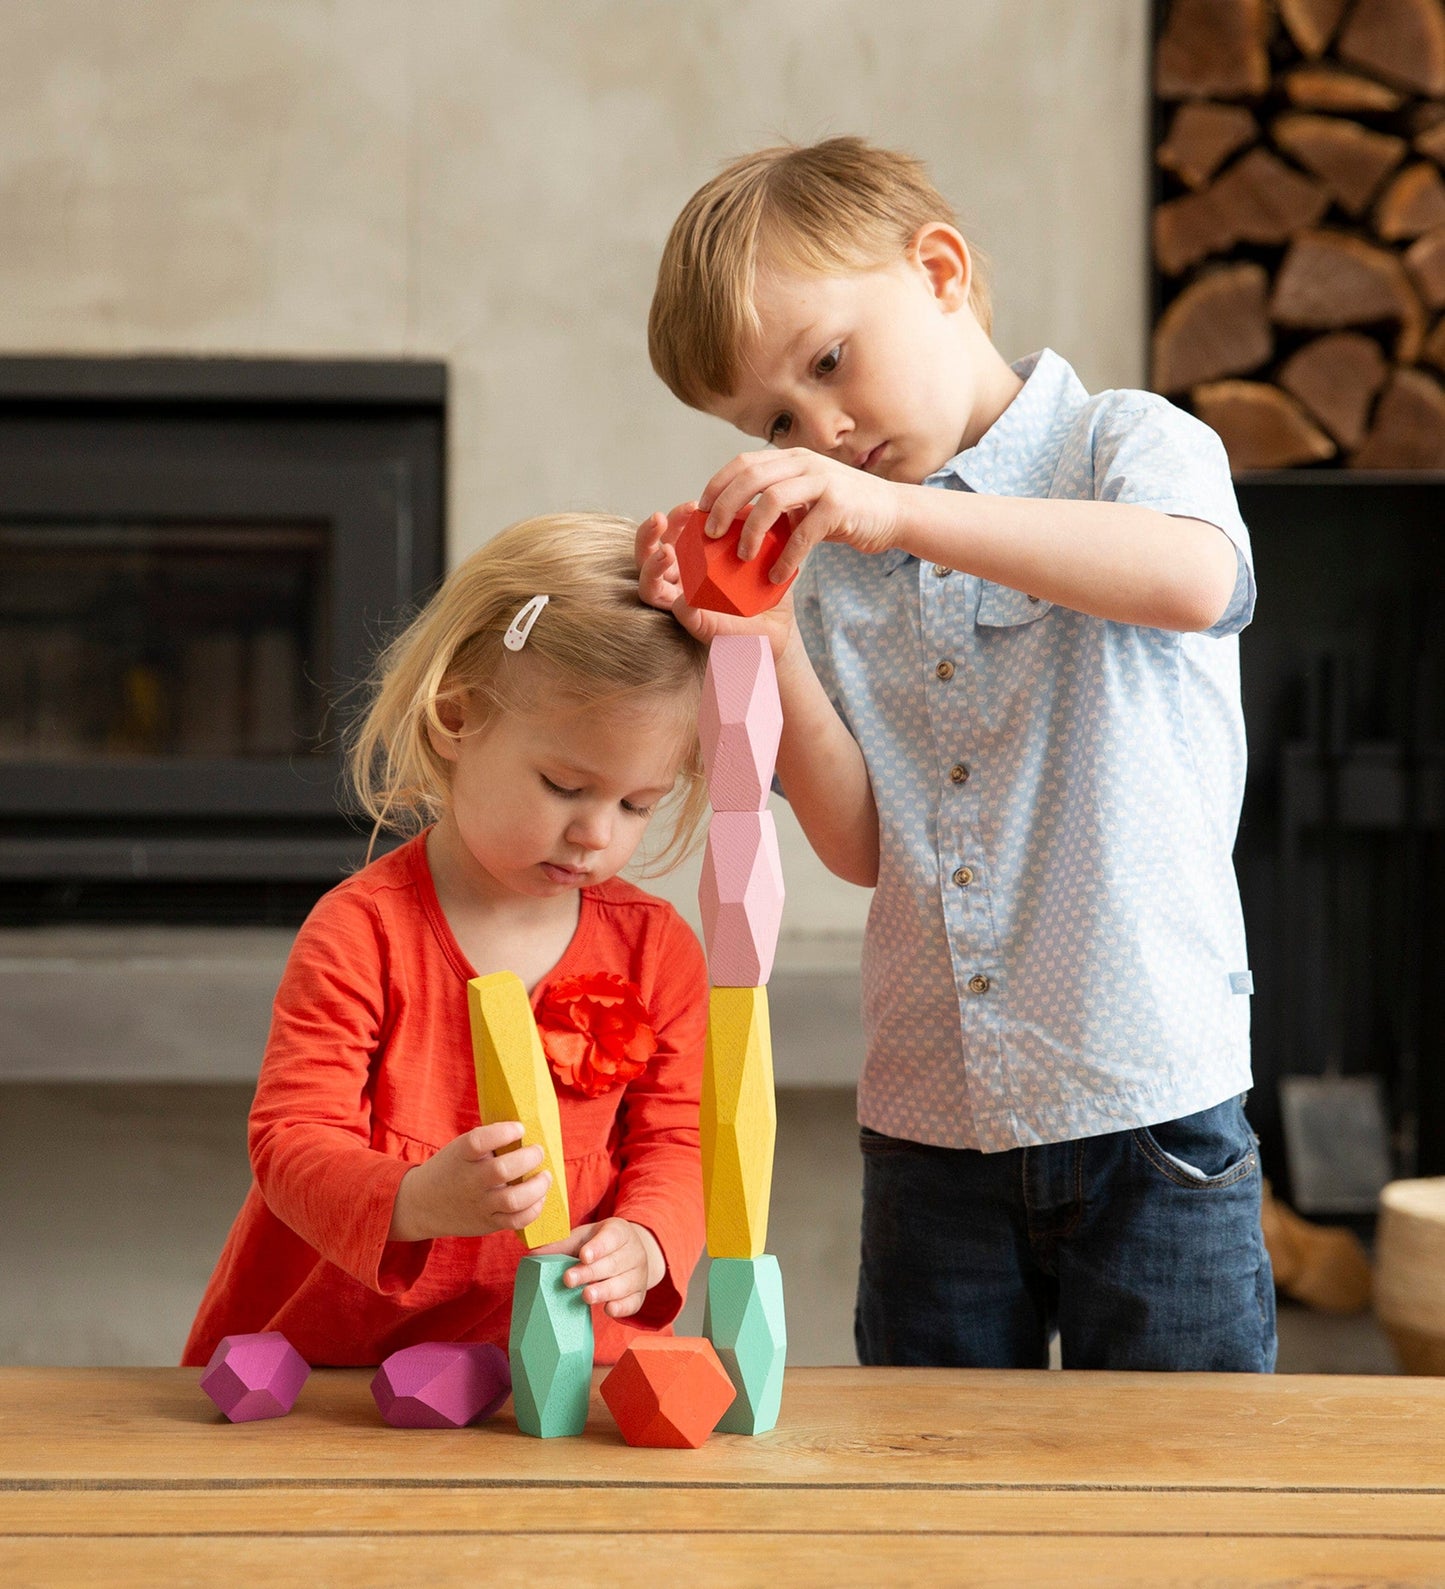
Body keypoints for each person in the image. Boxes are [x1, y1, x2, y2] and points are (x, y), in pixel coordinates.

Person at [639, 136, 1274, 1372]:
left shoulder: (1124, 442)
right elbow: (864, 845)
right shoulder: (833, 573)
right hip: (931, 1118)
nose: (817, 428)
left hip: (1147, 1103)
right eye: (774, 417)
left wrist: (907, 514)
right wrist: (763, 640)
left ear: (937, 270)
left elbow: (1192, 576)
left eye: (828, 363)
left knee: (1177, 1496)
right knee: (922, 1486)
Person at [185, 512, 711, 1369]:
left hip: (554, 1362)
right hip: (338, 1365)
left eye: (635, 804)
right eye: (565, 785)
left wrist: (649, 1236)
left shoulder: (656, 950)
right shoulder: (362, 930)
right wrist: (416, 1199)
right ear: (455, 721)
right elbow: (290, 1138)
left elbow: (677, 1139)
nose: (594, 834)